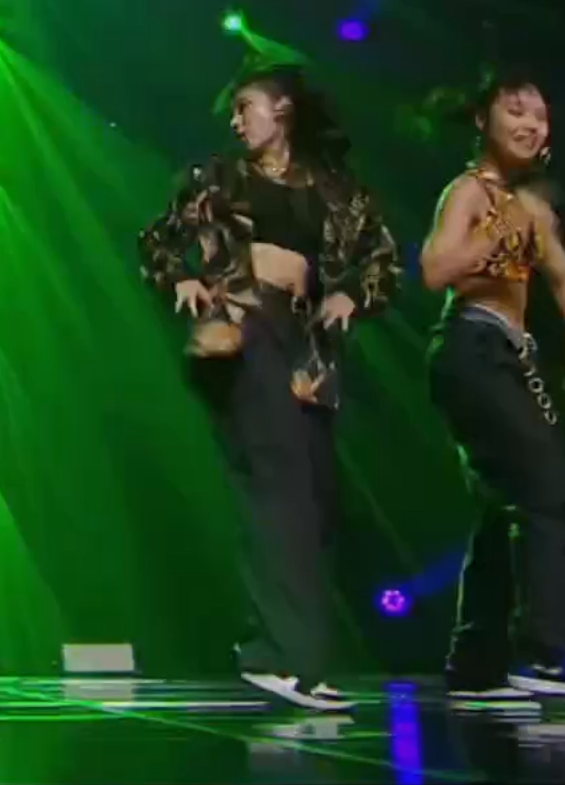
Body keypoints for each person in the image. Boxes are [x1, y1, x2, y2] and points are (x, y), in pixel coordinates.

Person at [138, 63, 401, 713]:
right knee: (278, 480)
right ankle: (285, 658)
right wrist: (180, 279)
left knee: (315, 494)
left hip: (306, 348)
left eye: (245, 106)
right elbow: (156, 242)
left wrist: (350, 293)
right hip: (241, 332)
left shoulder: (337, 190)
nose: (235, 120)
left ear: (281, 108)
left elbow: (382, 260)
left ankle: (283, 649)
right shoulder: (216, 179)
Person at [417, 72, 565, 700]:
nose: (532, 124)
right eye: (516, 111)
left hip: (508, 356)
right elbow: (434, 270)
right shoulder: (467, 192)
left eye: (540, 115)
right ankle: (552, 649)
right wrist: (497, 226)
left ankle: (476, 661)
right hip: (470, 347)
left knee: (502, 506)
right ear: (482, 121)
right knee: (550, 491)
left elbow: (564, 281)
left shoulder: (530, 208)